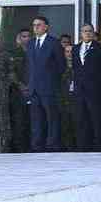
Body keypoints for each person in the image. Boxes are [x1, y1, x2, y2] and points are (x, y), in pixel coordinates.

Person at [27, 16, 66, 152]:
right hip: (34, 88)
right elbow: (30, 66)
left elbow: (61, 66)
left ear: (46, 27)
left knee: (51, 118)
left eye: (39, 24)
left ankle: (52, 145)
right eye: (34, 25)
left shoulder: (54, 43)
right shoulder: (31, 43)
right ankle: (37, 145)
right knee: (36, 119)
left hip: (49, 88)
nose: (36, 27)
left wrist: (52, 81)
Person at [72, 23, 101, 150]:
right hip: (80, 90)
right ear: (81, 33)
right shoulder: (75, 48)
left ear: (94, 33)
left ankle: (99, 147)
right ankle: (83, 146)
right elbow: (75, 69)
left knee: (97, 120)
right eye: (84, 31)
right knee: (81, 119)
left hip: (96, 91)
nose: (87, 33)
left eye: (90, 31)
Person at [9, 28, 31, 152]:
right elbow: (11, 72)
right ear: (19, 38)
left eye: (28, 36)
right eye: (24, 36)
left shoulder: (34, 51)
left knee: (32, 121)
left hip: (33, 91)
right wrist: (20, 85)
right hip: (17, 92)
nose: (26, 39)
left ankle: (32, 146)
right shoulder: (13, 53)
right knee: (19, 121)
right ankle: (19, 148)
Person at [60, 45, 77, 150]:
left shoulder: (79, 66)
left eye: (71, 52)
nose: (69, 54)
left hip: (76, 100)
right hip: (64, 100)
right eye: (67, 52)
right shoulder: (60, 67)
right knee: (65, 126)